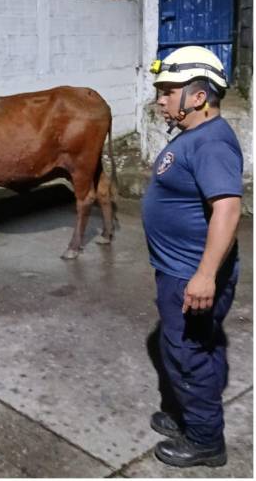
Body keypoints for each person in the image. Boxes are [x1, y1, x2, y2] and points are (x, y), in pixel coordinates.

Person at [142, 45, 243, 468]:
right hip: (180, 270)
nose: (160, 99)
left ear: (198, 97)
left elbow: (228, 208)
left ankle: (205, 441)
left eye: (168, 91)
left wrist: (204, 276)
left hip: (190, 275)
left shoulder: (211, 143)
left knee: (186, 355)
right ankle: (191, 415)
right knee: (201, 345)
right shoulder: (196, 136)